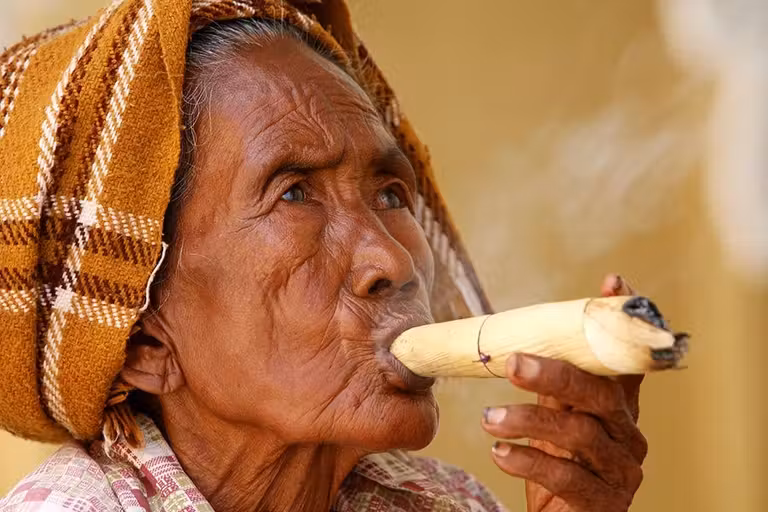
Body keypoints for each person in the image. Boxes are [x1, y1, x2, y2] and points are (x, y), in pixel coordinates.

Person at [0, 1, 646, 510]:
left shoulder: (438, 503)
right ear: (145, 341)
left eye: (391, 193)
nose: (392, 260)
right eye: (295, 193)